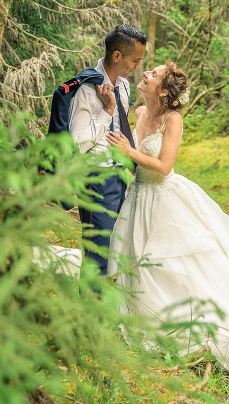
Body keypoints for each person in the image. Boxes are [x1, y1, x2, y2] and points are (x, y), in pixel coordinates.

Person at [105, 61, 229, 380]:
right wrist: (112, 112)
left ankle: (197, 321)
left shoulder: (173, 119)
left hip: (165, 197)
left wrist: (129, 151)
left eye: (153, 74)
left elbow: (164, 166)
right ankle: (142, 317)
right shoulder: (139, 114)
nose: (145, 75)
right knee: (138, 263)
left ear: (165, 89)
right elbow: (129, 156)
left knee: (181, 263)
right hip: (138, 197)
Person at [69, 24, 146, 276]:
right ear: (116, 56)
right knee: (98, 252)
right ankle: (90, 310)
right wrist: (106, 112)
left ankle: (106, 306)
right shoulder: (87, 87)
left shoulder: (122, 86)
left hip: (118, 174)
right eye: (134, 60)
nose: (137, 66)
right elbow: (77, 143)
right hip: (95, 176)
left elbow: (120, 128)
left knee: (114, 245)